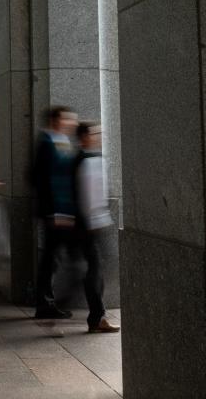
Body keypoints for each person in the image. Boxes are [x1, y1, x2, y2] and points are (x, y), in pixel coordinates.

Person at [33, 106, 79, 319]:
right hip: (55, 213)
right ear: (56, 121)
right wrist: (54, 211)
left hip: (62, 211)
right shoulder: (46, 144)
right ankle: (46, 303)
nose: (73, 123)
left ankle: (47, 301)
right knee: (52, 258)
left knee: (53, 258)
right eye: (68, 119)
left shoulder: (60, 142)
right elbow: (42, 180)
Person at [72, 122, 119, 334]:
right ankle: (97, 316)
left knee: (96, 268)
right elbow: (89, 195)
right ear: (84, 137)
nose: (99, 136)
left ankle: (97, 316)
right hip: (89, 224)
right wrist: (95, 220)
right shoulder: (87, 161)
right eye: (95, 133)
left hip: (90, 222)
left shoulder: (86, 159)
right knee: (95, 269)